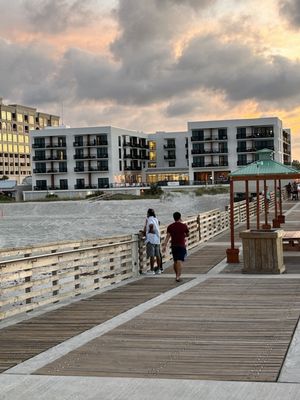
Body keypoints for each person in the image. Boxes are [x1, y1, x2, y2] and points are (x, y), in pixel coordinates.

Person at [162, 211, 189, 282]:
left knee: (175, 261)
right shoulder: (184, 226)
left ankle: (176, 275)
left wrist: (164, 246)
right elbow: (187, 234)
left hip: (173, 246)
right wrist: (183, 235)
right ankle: (178, 276)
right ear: (180, 217)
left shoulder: (170, 226)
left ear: (173, 218)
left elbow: (167, 237)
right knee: (179, 261)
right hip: (181, 245)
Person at [141, 208, 161, 275]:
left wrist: (149, 231)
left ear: (148, 213)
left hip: (151, 239)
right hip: (157, 239)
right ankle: (158, 269)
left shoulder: (149, 219)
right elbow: (158, 224)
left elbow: (151, 225)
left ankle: (152, 270)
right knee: (158, 255)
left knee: (152, 255)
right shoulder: (156, 219)